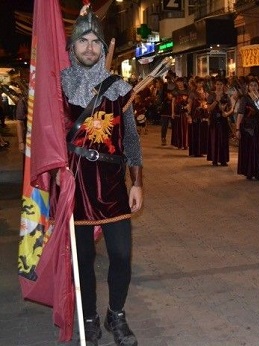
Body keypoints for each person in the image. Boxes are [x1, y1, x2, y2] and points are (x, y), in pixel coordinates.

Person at [59, 7, 142, 346]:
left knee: (122, 255)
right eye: (84, 40)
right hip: (75, 185)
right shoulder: (59, 86)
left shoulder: (119, 88)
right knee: (83, 261)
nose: (90, 47)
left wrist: (137, 182)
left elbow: (132, 140)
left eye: (96, 41)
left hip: (111, 184)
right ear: (72, 46)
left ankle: (116, 315)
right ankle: (90, 316)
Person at [235, 78, 259, 180]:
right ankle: (249, 172)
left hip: (258, 127)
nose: (253, 87)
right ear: (248, 87)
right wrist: (237, 129)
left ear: (258, 86)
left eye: (255, 85)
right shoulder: (245, 98)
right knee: (249, 150)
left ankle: (258, 172)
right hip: (247, 127)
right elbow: (240, 114)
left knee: (258, 150)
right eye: (251, 85)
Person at [206, 77, 231, 166]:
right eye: (217, 84)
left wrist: (226, 113)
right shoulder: (211, 95)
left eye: (221, 84)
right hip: (214, 119)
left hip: (223, 119)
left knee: (223, 140)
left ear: (223, 85)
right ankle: (215, 159)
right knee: (215, 139)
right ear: (215, 85)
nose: (219, 86)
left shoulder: (226, 96)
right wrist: (216, 100)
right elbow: (209, 108)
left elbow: (231, 109)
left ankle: (223, 159)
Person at [171, 77, 190, 149]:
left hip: (185, 112)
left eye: (181, 82)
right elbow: (173, 102)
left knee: (185, 128)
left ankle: (185, 144)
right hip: (177, 111)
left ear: (183, 82)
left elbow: (190, 101)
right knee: (177, 128)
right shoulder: (175, 91)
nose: (179, 83)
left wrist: (188, 107)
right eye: (178, 82)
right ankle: (178, 144)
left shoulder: (188, 91)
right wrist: (172, 112)